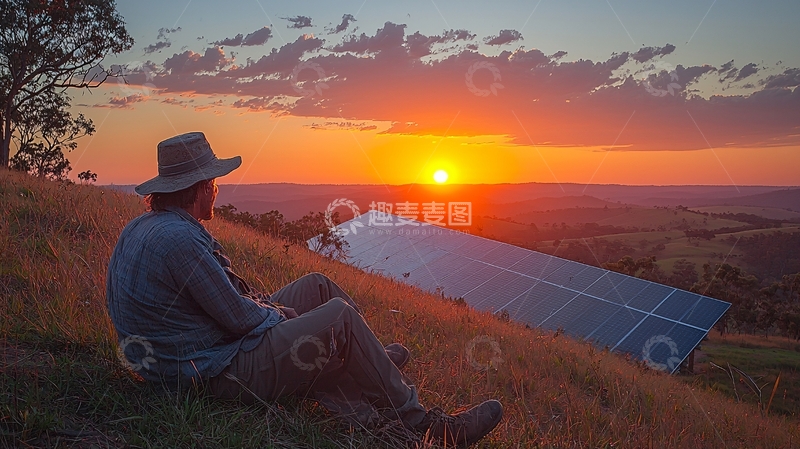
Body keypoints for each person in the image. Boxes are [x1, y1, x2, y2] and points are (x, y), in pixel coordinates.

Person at [106, 132, 503, 446]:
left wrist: (274, 313)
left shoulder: (144, 227)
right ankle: (428, 426)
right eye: (213, 183)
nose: (217, 190)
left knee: (317, 286)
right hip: (210, 369)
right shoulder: (181, 241)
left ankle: (374, 362)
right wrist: (280, 316)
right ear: (198, 187)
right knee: (339, 319)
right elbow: (239, 318)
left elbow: (223, 306)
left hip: (191, 351)